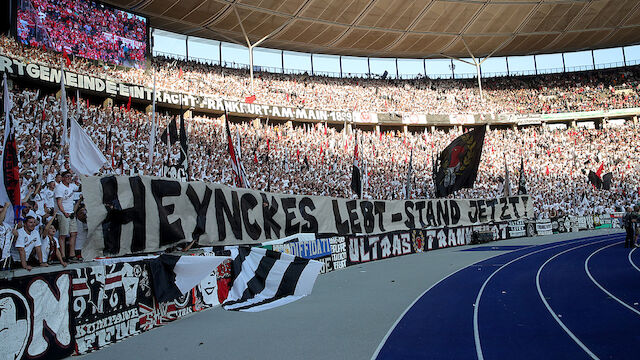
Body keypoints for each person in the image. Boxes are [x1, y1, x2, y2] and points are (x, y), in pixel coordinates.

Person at [55, 171, 80, 261]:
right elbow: (59, 202)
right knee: (63, 235)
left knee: (73, 233)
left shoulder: (72, 186)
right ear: (62, 178)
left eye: (70, 176)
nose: (69, 178)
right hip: (63, 213)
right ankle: (63, 255)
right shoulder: (59, 188)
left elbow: (79, 188)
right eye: (67, 176)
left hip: (71, 212)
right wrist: (64, 212)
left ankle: (72, 254)